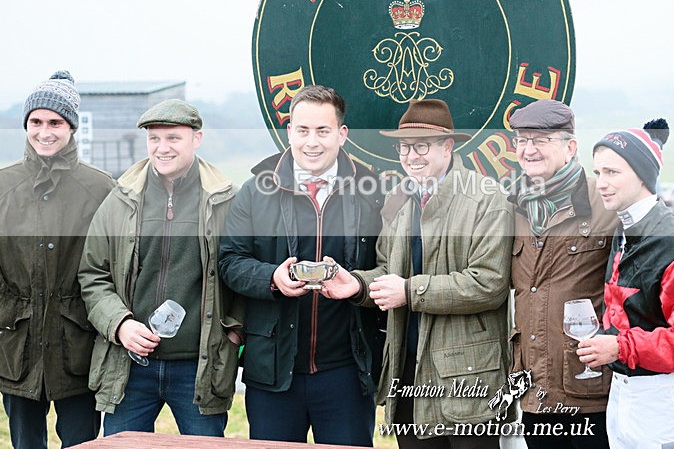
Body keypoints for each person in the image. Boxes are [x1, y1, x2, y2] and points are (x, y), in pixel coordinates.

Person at [506, 100, 674, 449]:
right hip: (535, 389)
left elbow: (672, 238)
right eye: (521, 140)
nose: (529, 149)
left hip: (591, 389)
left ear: (569, 147)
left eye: (541, 139)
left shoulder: (605, 200)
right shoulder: (511, 204)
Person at [323, 99, 514, 449]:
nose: (411, 156)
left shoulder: (487, 199)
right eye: (404, 147)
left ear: (448, 146)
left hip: (468, 378)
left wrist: (410, 292)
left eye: (421, 146)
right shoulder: (398, 198)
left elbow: (490, 283)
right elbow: (387, 269)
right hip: (407, 370)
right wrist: (357, 285)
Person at [218, 85, 385, 446]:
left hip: (346, 371)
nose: (312, 141)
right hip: (274, 373)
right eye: (303, 130)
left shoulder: (373, 192)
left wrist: (357, 284)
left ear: (342, 135)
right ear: (289, 131)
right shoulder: (254, 191)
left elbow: (388, 267)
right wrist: (271, 278)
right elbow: (229, 262)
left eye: (323, 131)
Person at [78, 99, 243, 437]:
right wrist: (119, 324)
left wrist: (235, 331)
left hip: (199, 368)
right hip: (130, 366)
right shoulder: (120, 198)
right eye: (154, 138)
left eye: (173, 138)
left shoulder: (227, 199)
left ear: (197, 139)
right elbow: (93, 275)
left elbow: (243, 268)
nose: (162, 148)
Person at [578, 119, 674, 448]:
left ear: (643, 176)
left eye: (612, 172)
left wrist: (620, 346)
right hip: (624, 396)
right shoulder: (625, 226)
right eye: (598, 173)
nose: (601, 183)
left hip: (666, 401)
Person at [0, 71, 115, 449]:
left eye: (55, 122)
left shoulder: (100, 188)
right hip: (16, 344)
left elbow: (115, 264)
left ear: (71, 127)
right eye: (36, 121)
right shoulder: (4, 186)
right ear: (26, 125)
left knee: (82, 443)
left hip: (77, 346)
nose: (44, 131)